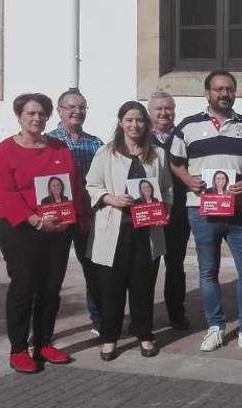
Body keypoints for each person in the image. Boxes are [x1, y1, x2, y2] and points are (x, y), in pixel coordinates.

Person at [170, 70, 242, 352]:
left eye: (229, 89)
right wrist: (188, 180)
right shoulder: (188, 126)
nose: (224, 94)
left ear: (235, 93)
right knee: (208, 272)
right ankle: (215, 326)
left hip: (239, 212)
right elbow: (175, 161)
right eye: (218, 89)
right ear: (207, 93)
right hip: (202, 211)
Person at [0, 93, 83, 373]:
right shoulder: (5, 150)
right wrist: (35, 220)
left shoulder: (59, 148)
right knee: (24, 287)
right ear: (19, 116)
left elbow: (73, 186)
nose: (36, 118)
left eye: (41, 113)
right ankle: (19, 349)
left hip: (58, 229)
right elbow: (5, 193)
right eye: (30, 113)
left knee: (50, 288)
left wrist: (69, 217)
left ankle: (44, 343)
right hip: (20, 229)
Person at [86, 101, 172, 361]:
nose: (135, 125)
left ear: (146, 124)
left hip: (146, 232)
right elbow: (91, 185)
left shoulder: (157, 154)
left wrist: (165, 210)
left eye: (140, 120)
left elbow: (166, 188)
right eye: (129, 120)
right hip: (114, 230)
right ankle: (109, 338)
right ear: (121, 122)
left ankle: (145, 334)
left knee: (143, 288)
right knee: (111, 289)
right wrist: (111, 199)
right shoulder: (106, 152)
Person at [47, 88, 103, 336]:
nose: (77, 111)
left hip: (87, 216)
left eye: (82, 107)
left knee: (94, 270)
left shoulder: (96, 143)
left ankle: (100, 321)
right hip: (57, 217)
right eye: (71, 107)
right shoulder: (47, 142)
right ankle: (41, 330)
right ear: (59, 110)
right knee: (51, 274)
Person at [148, 91, 191, 331]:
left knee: (176, 264)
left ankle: (176, 313)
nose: (165, 113)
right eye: (159, 109)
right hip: (151, 209)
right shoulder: (141, 137)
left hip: (179, 210)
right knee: (148, 265)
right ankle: (142, 316)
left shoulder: (183, 135)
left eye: (169, 108)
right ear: (150, 112)